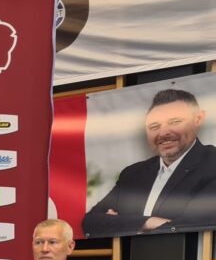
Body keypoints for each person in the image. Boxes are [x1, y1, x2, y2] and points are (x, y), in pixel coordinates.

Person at [82, 88, 216, 237]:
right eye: (154, 126)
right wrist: (149, 221)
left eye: (175, 122)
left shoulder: (212, 163)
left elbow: (193, 225)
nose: (163, 133)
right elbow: (90, 222)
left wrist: (120, 222)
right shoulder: (133, 174)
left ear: (198, 119)